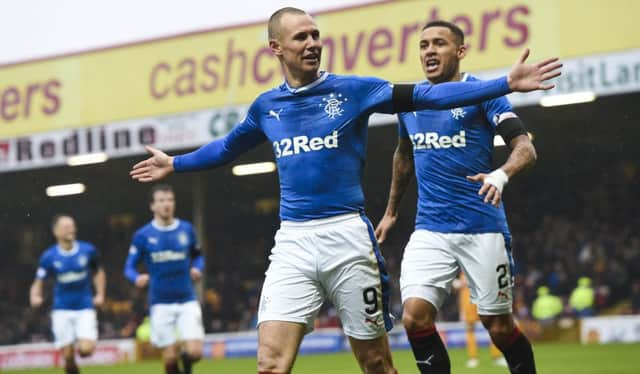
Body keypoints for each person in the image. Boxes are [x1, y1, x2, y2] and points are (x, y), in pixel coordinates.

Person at [129, 8, 561, 374]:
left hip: (349, 237)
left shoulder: (355, 89)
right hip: (292, 241)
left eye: (316, 35)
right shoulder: (267, 107)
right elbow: (226, 148)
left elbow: (428, 98)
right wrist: (176, 163)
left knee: (375, 362)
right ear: (276, 48)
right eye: (301, 37)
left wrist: (504, 83)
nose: (313, 43)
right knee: (269, 363)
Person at [375, 20, 543, 373]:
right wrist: (391, 211)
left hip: (482, 227)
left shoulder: (484, 93)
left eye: (439, 43)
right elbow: (404, 154)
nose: (429, 51)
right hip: (430, 229)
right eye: (423, 45)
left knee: (497, 327)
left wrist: (501, 173)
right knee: (414, 318)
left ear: (461, 52)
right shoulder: (411, 101)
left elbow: (525, 147)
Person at [124, 184, 205, 374]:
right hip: (160, 302)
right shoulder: (143, 235)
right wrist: (136, 278)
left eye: (170, 200)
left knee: (195, 352)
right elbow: (128, 267)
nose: (166, 204)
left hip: (187, 299)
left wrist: (197, 268)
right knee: (169, 356)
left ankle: (186, 363)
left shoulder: (186, 230)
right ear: (152, 206)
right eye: (161, 200)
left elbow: (199, 256)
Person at [29, 214, 106, 374]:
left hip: (84, 306)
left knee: (86, 350)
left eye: (72, 225)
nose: (70, 229)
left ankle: (79, 346)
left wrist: (100, 294)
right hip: (61, 308)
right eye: (65, 227)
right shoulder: (49, 257)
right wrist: (35, 296)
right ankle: (70, 355)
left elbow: (98, 272)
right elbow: (38, 281)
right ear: (56, 232)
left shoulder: (88, 250)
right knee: (68, 356)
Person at [455, 273, 507, 368]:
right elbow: (459, 286)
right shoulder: (463, 269)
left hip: (484, 298)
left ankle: (496, 356)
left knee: (493, 326)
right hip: (469, 301)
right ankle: (473, 358)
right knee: (470, 329)